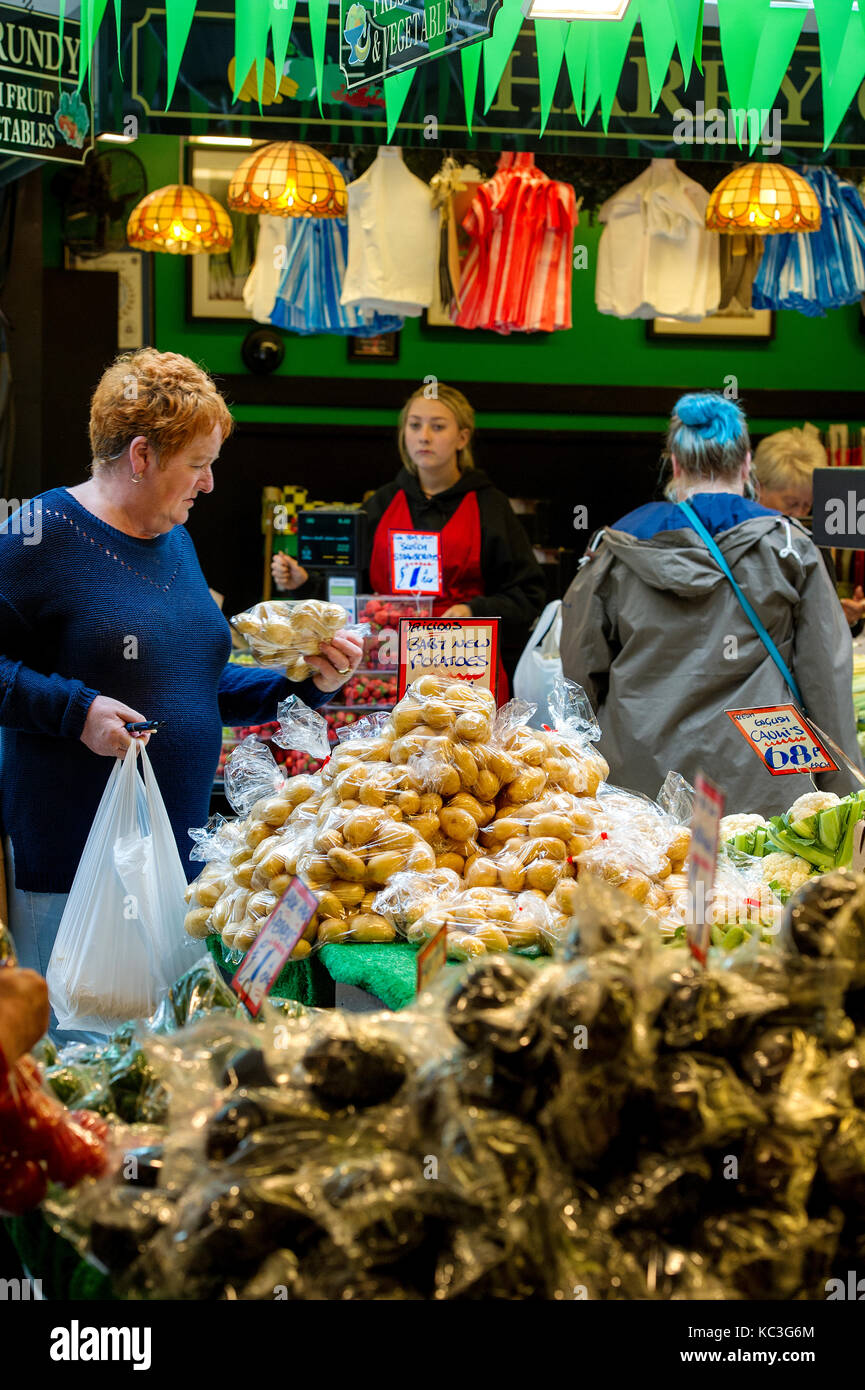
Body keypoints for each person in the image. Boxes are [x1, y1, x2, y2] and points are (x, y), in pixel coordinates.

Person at [0, 349, 362, 1008]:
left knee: (157, 1065)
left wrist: (304, 684)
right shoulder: (37, 532)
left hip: (175, 863)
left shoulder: (176, 539)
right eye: (197, 465)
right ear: (140, 457)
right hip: (73, 870)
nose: (210, 484)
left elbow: (197, 681)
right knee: (78, 1061)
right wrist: (73, 711)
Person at [560, 392, 861, 816]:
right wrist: (844, 793)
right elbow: (825, 678)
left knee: (654, 882)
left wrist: (576, 769)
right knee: (762, 882)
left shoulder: (614, 548)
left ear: (676, 465)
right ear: (746, 465)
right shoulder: (791, 547)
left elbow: (578, 675)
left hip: (640, 781)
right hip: (764, 775)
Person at [272, 384, 546, 702]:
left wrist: (471, 609)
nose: (424, 436)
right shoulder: (381, 502)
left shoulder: (491, 506)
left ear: (462, 437)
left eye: (438, 426)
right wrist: (304, 582)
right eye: (415, 425)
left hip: (467, 669)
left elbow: (529, 595)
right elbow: (351, 592)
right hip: (384, 668)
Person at [753, 427, 865, 630]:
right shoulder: (738, 543)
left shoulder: (813, 540)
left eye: (807, 505)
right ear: (758, 488)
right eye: (791, 503)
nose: (800, 514)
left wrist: (843, 618)